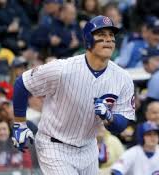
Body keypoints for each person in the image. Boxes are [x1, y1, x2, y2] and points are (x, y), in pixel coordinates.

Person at [12, 15, 135, 175]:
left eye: (111, 35)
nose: (108, 40)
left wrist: (109, 117)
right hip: (55, 145)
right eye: (101, 35)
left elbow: (122, 124)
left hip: (89, 146)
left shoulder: (123, 78)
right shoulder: (62, 68)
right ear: (88, 39)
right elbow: (22, 83)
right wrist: (19, 124)